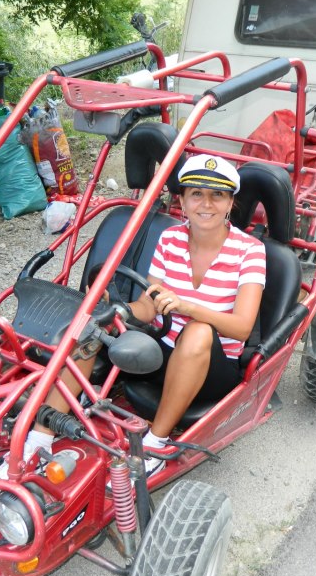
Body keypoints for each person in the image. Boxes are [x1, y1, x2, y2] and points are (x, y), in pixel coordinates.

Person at [20, 154, 266, 473]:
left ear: (231, 202)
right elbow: (149, 307)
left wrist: (187, 307)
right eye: (196, 194)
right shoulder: (170, 239)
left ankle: (156, 443)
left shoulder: (250, 250)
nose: (206, 204)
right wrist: (115, 310)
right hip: (160, 353)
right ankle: (40, 436)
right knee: (96, 323)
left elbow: (242, 328)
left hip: (212, 369)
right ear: (182, 201)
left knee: (198, 331)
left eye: (217, 195)